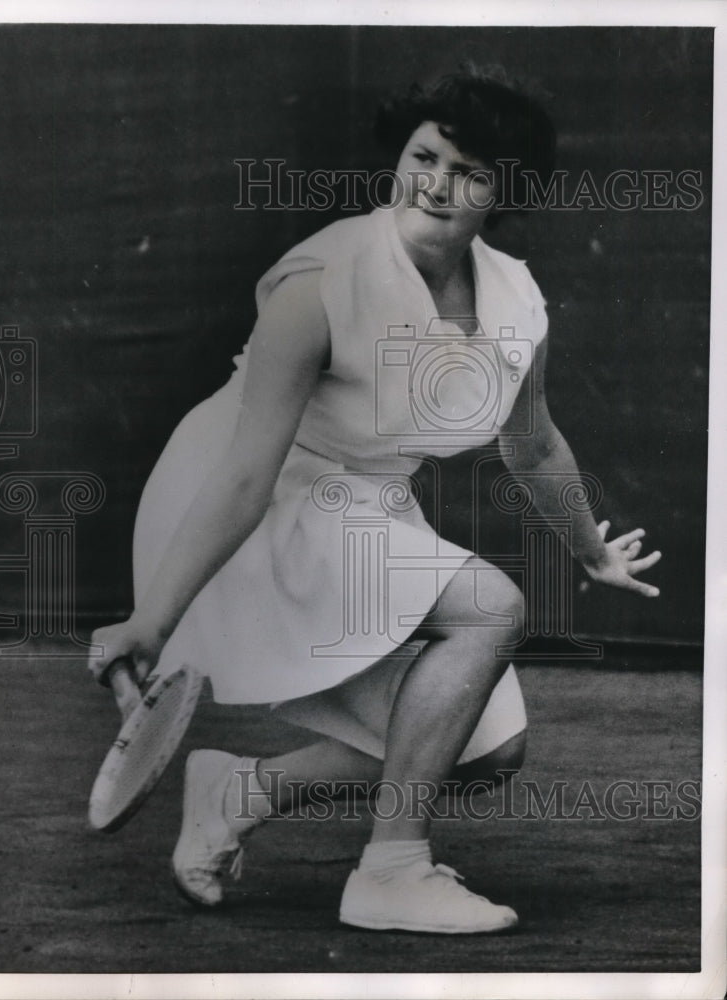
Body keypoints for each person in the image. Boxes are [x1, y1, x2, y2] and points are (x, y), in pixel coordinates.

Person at [87, 67, 661, 934]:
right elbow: (245, 474)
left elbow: (531, 441)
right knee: (488, 608)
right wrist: (150, 621)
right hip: (253, 499)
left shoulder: (511, 299)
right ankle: (391, 872)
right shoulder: (319, 284)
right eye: (424, 155)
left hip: (358, 506)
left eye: (468, 171)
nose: (435, 183)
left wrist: (590, 550)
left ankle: (239, 790)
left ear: (506, 191)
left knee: (485, 752)